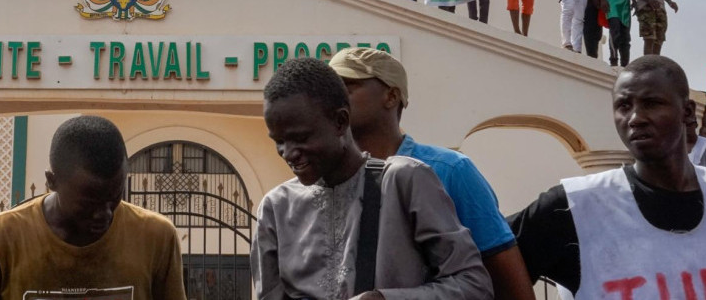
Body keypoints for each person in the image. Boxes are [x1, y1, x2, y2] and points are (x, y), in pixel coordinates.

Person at [254, 57, 492, 300]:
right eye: (279, 141)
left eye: (301, 137)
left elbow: (474, 285)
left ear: (340, 121)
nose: (289, 153)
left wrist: (385, 298)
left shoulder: (404, 181)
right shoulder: (276, 207)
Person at [330, 48, 536, 300]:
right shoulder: (325, 180)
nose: (333, 99)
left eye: (347, 87)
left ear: (391, 96)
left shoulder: (451, 171)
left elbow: (507, 280)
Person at [509, 56, 705, 297]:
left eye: (652, 103)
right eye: (624, 106)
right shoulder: (577, 206)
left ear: (687, 112)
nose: (635, 118)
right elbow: (483, 261)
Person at [0, 115, 187, 300]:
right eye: (88, 203)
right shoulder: (2, 236)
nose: (105, 213)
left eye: (114, 197)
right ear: (52, 181)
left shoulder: (156, 237)